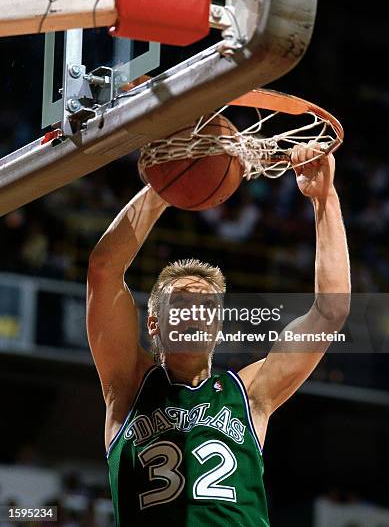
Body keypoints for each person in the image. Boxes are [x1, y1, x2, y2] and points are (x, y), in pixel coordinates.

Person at [87, 143, 350, 526]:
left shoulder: (249, 394)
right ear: (154, 323)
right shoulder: (129, 387)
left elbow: (330, 312)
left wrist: (325, 201)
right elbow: (103, 270)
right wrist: (165, 186)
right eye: (180, 303)